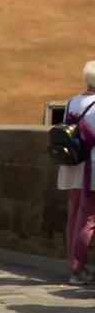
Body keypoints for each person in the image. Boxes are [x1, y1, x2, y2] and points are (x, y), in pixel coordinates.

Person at [57, 61, 95, 284]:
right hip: (91, 164)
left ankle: (74, 263)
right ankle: (77, 269)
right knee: (87, 220)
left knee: (73, 216)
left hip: (72, 162)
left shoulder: (72, 101)